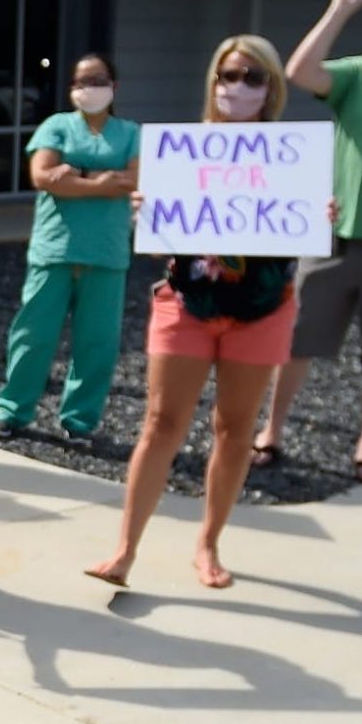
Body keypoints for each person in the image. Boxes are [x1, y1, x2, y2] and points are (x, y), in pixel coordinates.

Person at [86, 37, 303, 590]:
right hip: (188, 302)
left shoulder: (293, 152)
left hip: (262, 309)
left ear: (271, 88)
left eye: (254, 78)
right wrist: (147, 216)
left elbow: (300, 228)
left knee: (234, 430)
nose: (239, 87)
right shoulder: (184, 148)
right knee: (161, 423)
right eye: (230, 75)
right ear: (213, 82)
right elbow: (167, 244)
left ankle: (208, 543)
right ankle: (125, 549)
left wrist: (319, 212)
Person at [251, 0, 362, 482]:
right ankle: (271, 432)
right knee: (297, 338)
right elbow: (299, 72)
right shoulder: (361, 74)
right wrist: (339, 9)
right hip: (335, 236)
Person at [0, 52, 138, 442]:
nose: (88, 88)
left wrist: (73, 175)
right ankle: (12, 410)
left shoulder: (131, 132)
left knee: (98, 343)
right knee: (32, 336)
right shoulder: (56, 126)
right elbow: (41, 175)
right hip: (53, 251)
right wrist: (103, 182)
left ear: (114, 86)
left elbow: (136, 178)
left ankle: (80, 420)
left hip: (106, 254)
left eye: (97, 80)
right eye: (80, 82)